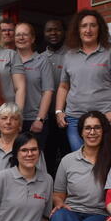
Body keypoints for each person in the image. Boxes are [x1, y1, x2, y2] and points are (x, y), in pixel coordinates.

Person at [55, 9, 111, 151]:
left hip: (103, 118)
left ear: (99, 29)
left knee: (104, 161)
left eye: (93, 25)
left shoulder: (110, 52)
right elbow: (63, 86)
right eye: (84, 26)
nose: (88, 30)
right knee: (80, 161)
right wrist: (59, 111)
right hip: (75, 118)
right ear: (78, 30)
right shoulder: (69, 55)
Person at [0, 103, 45, 184]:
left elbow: (42, 181)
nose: (8, 122)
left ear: (20, 125)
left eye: (14, 118)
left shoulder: (32, 149)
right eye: (4, 118)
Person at [15, 22, 55, 151]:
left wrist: (40, 119)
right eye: (18, 35)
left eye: (25, 34)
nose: (21, 38)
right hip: (12, 120)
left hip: (34, 119)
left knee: (33, 160)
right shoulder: (9, 60)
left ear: (32, 39)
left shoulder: (42, 61)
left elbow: (48, 91)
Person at [42, 17, 69, 175]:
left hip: (67, 116)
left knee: (68, 155)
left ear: (64, 32)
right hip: (46, 118)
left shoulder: (72, 55)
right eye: (49, 30)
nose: (53, 33)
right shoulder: (39, 58)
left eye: (57, 29)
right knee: (48, 157)